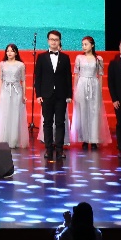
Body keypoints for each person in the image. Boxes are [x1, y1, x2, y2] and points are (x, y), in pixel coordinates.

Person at [35, 29, 73, 164]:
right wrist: (38, 94)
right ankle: (48, 148)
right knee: (47, 122)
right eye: (51, 39)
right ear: (48, 41)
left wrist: (69, 94)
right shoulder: (41, 57)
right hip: (46, 95)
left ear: (59, 41)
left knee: (60, 122)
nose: (54, 42)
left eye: (56, 40)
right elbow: (38, 77)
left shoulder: (65, 58)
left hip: (61, 95)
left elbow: (68, 77)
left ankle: (60, 149)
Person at [69, 35, 112, 150]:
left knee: (94, 112)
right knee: (82, 111)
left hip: (94, 85)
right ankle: (84, 138)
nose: (84, 46)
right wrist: (75, 89)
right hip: (82, 84)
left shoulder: (98, 59)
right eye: (82, 44)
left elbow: (100, 75)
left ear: (92, 45)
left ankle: (93, 139)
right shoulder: (79, 58)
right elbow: (76, 74)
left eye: (86, 44)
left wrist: (100, 90)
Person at [0, 43, 29, 147]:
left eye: (12, 51)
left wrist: (24, 95)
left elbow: (23, 81)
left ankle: (14, 140)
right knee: (5, 114)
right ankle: (3, 139)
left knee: (15, 114)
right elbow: (0, 79)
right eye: (7, 51)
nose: (9, 53)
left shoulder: (21, 65)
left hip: (17, 91)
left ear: (16, 52)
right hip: (5, 90)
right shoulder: (2, 64)